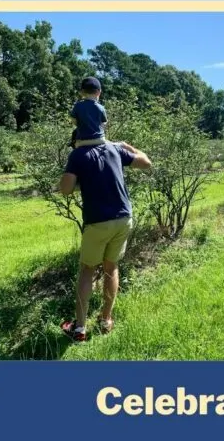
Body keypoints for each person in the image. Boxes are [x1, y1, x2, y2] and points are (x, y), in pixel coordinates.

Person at [59, 138, 152, 342]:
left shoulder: (78, 155)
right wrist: (127, 145)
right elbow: (146, 162)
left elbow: (65, 189)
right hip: (124, 218)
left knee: (87, 270)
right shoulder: (115, 149)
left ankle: (79, 329)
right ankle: (105, 320)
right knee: (111, 267)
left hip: (97, 223)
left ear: (78, 139)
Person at [70, 75, 107, 148]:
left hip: (82, 141)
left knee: (74, 140)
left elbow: (73, 120)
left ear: (82, 92)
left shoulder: (78, 105)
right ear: (99, 92)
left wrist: (80, 125)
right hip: (99, 140)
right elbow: (104, 123)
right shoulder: (101, 107)